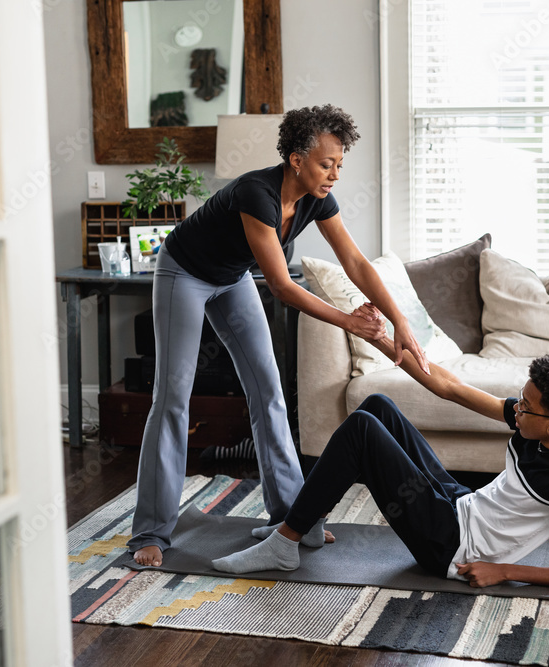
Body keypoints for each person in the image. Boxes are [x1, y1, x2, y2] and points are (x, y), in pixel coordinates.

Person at [129, 106, 431, 567]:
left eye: (339, 165)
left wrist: (400, 322)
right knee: (173, 397)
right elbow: (283, 287)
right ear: (295, 158)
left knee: (269, 390)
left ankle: (293, 519)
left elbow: (356, 263)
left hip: (231, 279)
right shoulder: (256, 192)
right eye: (325, 163)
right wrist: (349, 321)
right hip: (184, 273)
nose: (333, 174)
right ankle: (150, 531)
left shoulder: (316, 199)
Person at [212, 327, 549, 589]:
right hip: (460, 505)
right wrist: (382, 340)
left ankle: (285, 544)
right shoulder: (535, 424)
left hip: (452, 545)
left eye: (525, 406)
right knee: (378, 405)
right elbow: (451, 387)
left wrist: (502, 570)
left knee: (362, 430)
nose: (516, 408)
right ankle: (309, 523)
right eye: (520, 399)